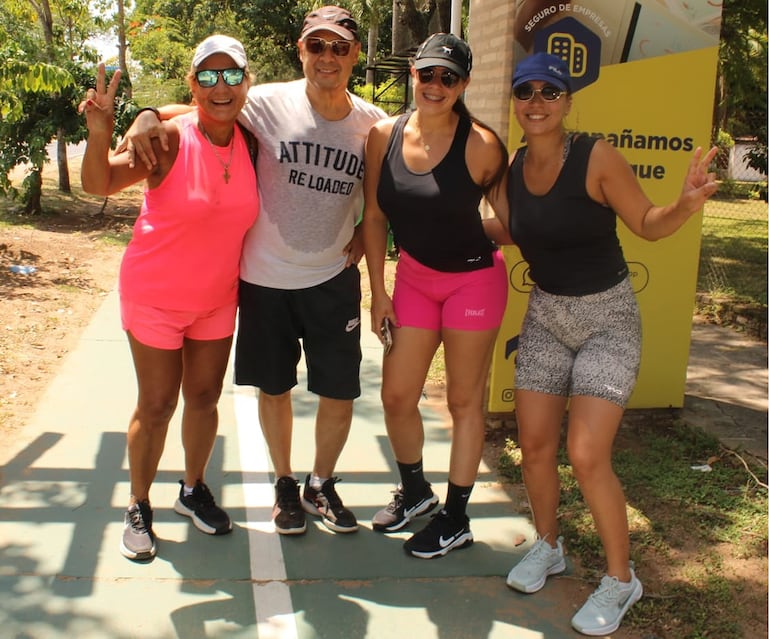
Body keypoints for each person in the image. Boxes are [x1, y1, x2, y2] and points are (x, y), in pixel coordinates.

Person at [124, 7, 387, 536]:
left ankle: (322, 483)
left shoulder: (372, 124)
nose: (328, 57)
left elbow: (381, 200)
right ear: (301, 50)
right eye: (318, 46)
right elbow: (207, 108)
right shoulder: (264, 103)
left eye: (339, 47)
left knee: (339, 391)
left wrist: (368, 244)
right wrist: (148, 111)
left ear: (356, 54)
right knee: (275, 389)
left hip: (333, 277)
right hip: (265, 279)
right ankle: (286, 484)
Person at [490, 52, 719, 635]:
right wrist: (429, 219)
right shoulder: (512, 167)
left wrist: (685, 204)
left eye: (549, 91)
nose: (536, 102)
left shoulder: (596, 157)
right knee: (535, 448)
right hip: (545, 316)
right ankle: (549, 545)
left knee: (588, 455)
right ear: (515, 102)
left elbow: (646, 222)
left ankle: (621, 581)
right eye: (526, 92)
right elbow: (513, 231)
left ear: (567, 101)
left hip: (607, 320)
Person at [80, 35, 259, 560]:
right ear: (192, 83)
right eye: (207, 76)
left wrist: (149, 109)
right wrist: (102, 131)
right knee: (157, 405)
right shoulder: (170, 140)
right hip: (155, 296)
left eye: (231, 75)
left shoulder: (250, 138)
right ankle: (138, 503)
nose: (220, 86)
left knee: (204, 400)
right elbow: (99, 183)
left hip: (217, 299)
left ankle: (192, 488)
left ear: (247, 82)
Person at [361, 33, 509, 559]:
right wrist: (379, 292)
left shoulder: (484, 145)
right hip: (416, 280)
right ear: (413, 76)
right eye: (427, 74)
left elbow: (513, 223)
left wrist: (472, 233)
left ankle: (456, 517)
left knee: (463, 401)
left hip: (474, 281)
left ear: (463, 84)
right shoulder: (383, 135)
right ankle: (417, 491)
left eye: (449, 77)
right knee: (397, 395)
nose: (436, 85)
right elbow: (375, 216)